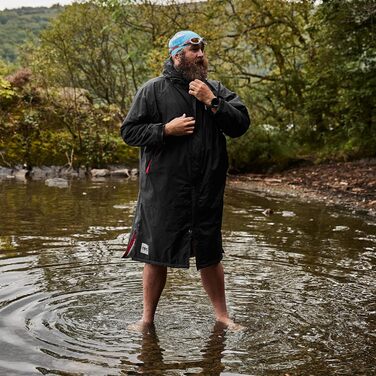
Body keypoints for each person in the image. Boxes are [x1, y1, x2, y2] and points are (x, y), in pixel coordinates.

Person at [120, 30, 250, 330]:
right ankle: (146, 319)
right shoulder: (152, 90)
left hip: (207, 190)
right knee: (156, 256)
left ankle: (222, 316)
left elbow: (240, 125)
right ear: (176, 54)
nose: (201, 55)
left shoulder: (214, 89)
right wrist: (165, 130)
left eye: (203, 49)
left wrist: (213, 101)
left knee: (210, 254)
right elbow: (129, 132)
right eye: (195, 50)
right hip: (164, 191)